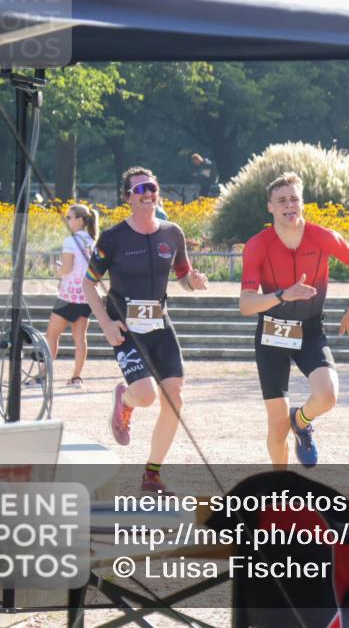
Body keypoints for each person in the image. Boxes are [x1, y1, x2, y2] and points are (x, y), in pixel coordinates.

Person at [83, 167, 209, 493]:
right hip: (125, 327)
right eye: (139, 189)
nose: (147, 193)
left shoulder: (172, 233)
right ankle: (125, 400)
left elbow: (184, 276)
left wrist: (193, 282)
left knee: (175, 398)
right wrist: (106, 324)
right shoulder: (112, 238)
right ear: (127, 197)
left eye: (151, 187)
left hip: (159, 325)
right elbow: (88, 284)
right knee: (146, 395)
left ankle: (152, 473)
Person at [239, 172, 349, 468]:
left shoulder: (321, 236)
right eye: (281, 200)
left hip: (310, 330)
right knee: (276, 424)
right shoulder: (258, 245)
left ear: (303, 203)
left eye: (294, 199)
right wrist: (283, 294)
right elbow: (246, 304)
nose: (289, 205)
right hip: (272, 333)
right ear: (270, 206)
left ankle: (302, 420)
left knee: (328, 395)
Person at [42, 204, 99, 387]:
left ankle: (43, 375)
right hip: (86, 296)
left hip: (68, 295)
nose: (67, 220)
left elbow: (67, 268)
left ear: (80, 220)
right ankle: (76, 377)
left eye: (69, 217)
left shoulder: (70, 241)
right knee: (80, 337)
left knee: (51, 335)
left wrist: (58, 270)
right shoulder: (92, 241)